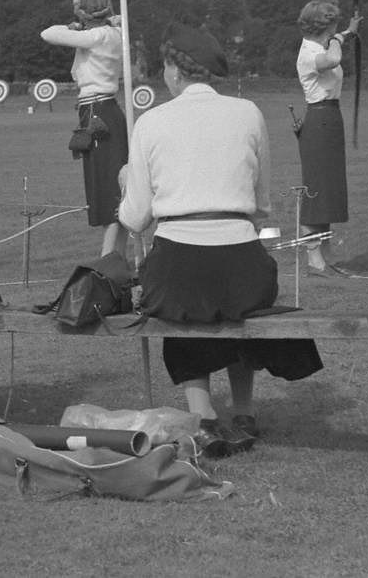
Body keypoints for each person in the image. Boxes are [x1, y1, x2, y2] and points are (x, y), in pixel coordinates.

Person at [120, 24, 323, 457]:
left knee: (183, 315)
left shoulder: (150, 120)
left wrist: (126, 185)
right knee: (236, 310)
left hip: (177, 262)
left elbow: (134, 218)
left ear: (174, 70)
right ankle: (244, 413)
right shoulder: (248, 112)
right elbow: (261, 202)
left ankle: (205, 420)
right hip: (242, 262)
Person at [40, 0, 128, 259]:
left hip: (98, 112)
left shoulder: (96, 36)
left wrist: (74, 24)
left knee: (110, 187)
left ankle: (107, 260)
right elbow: (119, 23)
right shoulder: (112, 33)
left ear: (85, 15)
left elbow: (48, 34)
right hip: (103, 110)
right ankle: (117, 260)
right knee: (115, 185)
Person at [294, 0, 362, 276]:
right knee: (317, 190)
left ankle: (326, 255)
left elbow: (335, 44)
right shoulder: (310, 54)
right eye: (332, 25)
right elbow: (333, 57)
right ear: (325, 27)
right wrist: (339, 38)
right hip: (319, 120)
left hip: (330, 119)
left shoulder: (321, 44)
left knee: (329, 190)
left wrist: (349, 30)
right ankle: (314, 260)